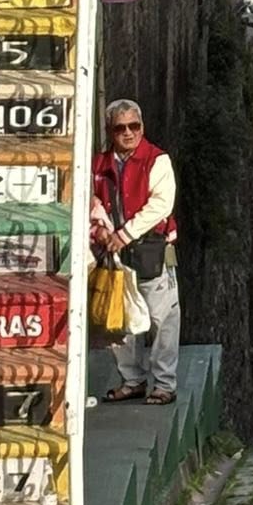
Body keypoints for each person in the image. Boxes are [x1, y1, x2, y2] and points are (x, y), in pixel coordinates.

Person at [92, 100, 180, 406]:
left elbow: (161, 205)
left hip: (152, 248)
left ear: (142, 127)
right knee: (121, 318)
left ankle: (164, 383)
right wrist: (99, 230)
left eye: (134, 126)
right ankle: (133, 380)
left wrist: (124, 234)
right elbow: (91, 201)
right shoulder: (97, 165)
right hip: (114, 251)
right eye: (120, 127)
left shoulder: (157, 160)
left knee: (162, 318)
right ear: (110, 131)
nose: (128, 133)